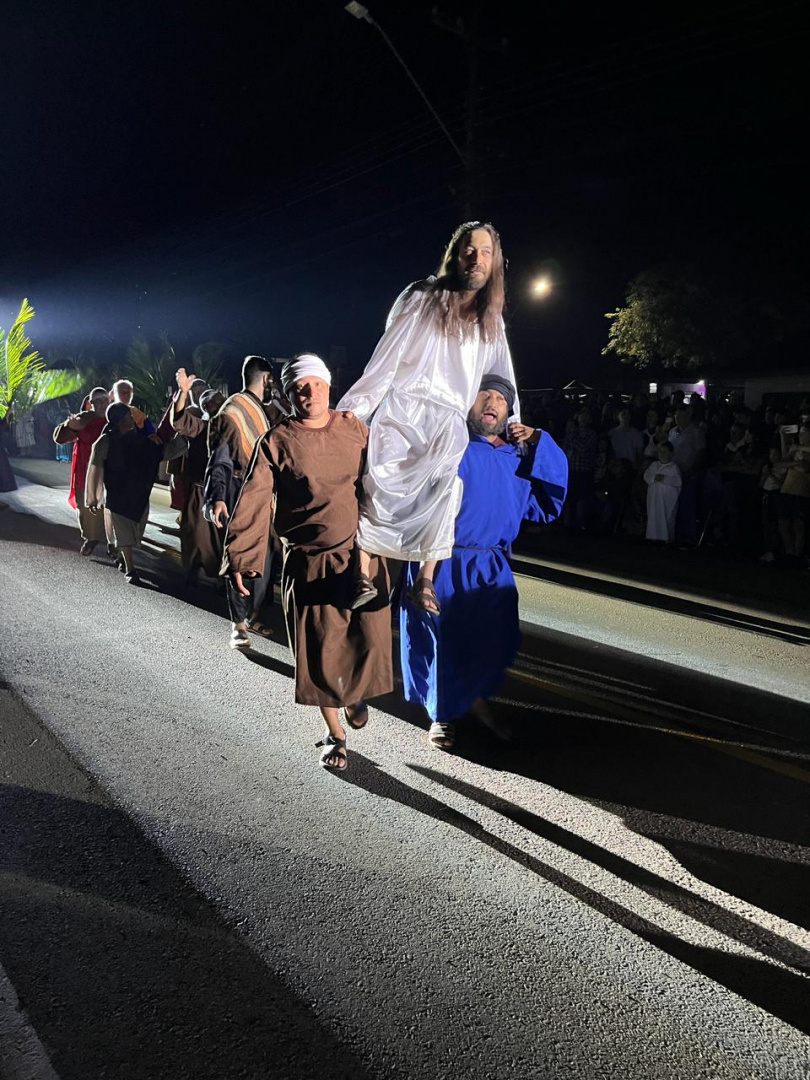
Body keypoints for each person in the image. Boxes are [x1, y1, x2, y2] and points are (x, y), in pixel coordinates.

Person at [337, 221, 519, 615]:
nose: (477, 258)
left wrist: (513, 420)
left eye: (486, 252)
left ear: (495, 262)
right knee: (378, 485)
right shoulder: (422, 297)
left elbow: (501, 374)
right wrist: (354, 411)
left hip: (448, 418)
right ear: (456, 254)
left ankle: (424, 580)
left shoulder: (491, 319)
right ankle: (362, 573)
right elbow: (385, 359)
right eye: (470, 250)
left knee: (446, 486)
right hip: (403, 408)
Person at [222, 354, 393, 772]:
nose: (309, 393)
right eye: (300, 387)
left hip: (360, 559)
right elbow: (254, 498)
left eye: (316, 384)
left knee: (368, 642)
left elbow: (389, 477)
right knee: (318, 651)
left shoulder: (354, 428)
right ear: (287, 394)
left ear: (329, 386)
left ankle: (353, 693)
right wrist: (241, 557)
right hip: (309, 564)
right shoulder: (277, 441)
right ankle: (336, 735)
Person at [398, 376, 567, 751]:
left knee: (492, 640)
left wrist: (540, 439)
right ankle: (442, 715)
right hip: (442, 559)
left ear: (509, 412)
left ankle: (472, 698)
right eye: (483, 395)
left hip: (491, 565)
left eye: (500, 400)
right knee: (442, 642)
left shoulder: (516, 457)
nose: (491, 403)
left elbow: (547, 505)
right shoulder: (448, 449)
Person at [204, 355, 285, 647]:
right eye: (271, 380)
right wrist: (218, 497)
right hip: (238, 491)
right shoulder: (233, 411)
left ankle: (253, 615)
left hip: (264, 493)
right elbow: (220, 458)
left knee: (265, 558)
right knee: (239, 556)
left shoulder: (261, 410)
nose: (273, 386)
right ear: (265, 378)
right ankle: (238, 624)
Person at [84, 402, 187, 584]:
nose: (131, 419)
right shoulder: (105, 441)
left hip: (138, 494)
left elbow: (160, 452)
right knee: (124, 532)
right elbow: (95, 468)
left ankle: (122, 556)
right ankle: (130, 569)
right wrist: (93, 498)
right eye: (128, 417)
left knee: (136, 531)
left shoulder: (142, 440)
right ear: (119, 420)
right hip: (117, 494)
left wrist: (184, 435)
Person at [169, 368, 224, 585]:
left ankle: (222, 578)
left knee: (223, 537)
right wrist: (183, 393)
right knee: (194, 532)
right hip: (201, 489)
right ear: (205, 409)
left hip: (227, 492)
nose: (216, 405)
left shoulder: (233, 426)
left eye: (219, 401)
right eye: (211, 404)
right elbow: (179, 421)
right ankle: (192, 571)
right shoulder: (200, 426)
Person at [52, 386, 110, 554]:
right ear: (91, 403)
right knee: (85, 506)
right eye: (97, 401)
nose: (101, 404)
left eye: (104, 401)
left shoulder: (114, 417)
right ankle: (91, 538)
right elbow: (59, 438)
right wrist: (69, 426)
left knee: (110, 507)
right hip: (85, 468)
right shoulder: (84, 418)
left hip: (109, 469)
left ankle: (113, 542)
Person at [643, 441, 682, 544]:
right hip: (654, 498)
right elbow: (646, 476)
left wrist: (664, 479)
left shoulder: (673, 467)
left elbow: (678, 481)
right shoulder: (654, 465)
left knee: (666, 517)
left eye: (665, 452)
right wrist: (654, 478)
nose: (662, 454)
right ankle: (653, 537)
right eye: (660, 452)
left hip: (667, 500)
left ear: (671, 453)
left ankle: (666, 539)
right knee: (654, 516)